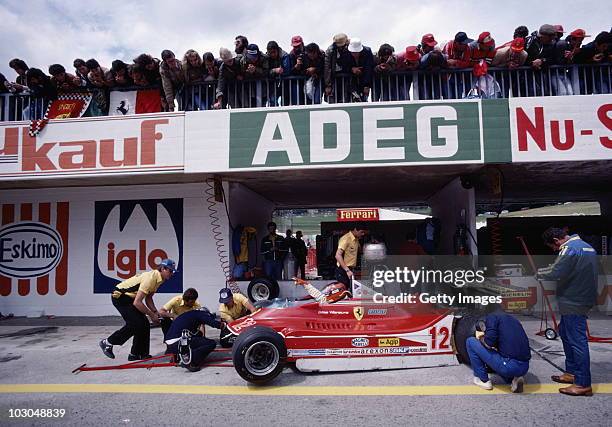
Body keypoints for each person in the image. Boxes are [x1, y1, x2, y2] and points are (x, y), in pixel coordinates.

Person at [537, 227, 598, 396]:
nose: (555, 250)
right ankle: (571, 373)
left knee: (577, 341)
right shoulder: (585, 246)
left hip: (574, 300)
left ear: (557, 240)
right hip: (581, 297)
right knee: (565, 332)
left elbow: (557, 271)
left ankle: (582, 383)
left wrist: (539, 273)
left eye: (553, 248)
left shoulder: (570, 249)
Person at [99, 259, 177, 361]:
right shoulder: (151, 278)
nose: (171, 274)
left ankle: (136, 354)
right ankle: (108, 342)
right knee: (136, 323)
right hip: (120, 297)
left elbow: (148, 298)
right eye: (170, 271)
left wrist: (155, 312)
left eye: (172, 271)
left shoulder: (160, 279)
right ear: (162, 268)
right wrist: (151, 315)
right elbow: (137, 302)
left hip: (130, 299)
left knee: (144, 324)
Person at [466, 308, 530, 393]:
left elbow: (489, 343)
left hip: (509, 366)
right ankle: (514, 379)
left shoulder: (491, 317)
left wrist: (481, 338)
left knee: (470, 341)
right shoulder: (513, 319)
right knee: (505, 357)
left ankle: (483, 380)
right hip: (525, 366)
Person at [164, 308, 222, 372]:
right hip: (178, 343)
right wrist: (223, 325)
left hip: (171, 346)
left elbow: (196, 334)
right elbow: (213, 323)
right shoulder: (200, 314)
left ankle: (177, 356)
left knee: (198, 336)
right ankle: (192, 361)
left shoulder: (188, 315)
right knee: (211, 343)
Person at [324, 33, 352, 103]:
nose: (339, 47)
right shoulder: (330, 50)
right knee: (333, 98)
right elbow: (327, 67)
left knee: (346, 98)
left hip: (348, 77)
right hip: (334, 77)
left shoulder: (351, 47)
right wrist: (328, 84)